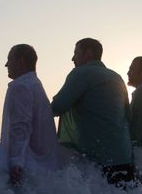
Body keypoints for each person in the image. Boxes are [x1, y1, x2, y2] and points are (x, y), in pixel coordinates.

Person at [51, 38, 134, 185]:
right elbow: (128, 115)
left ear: (88, 53)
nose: (72, 58)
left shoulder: (81, 73)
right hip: (125, 157)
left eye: (76, 53)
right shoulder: (117, 77)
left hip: (100, 161)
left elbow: (57, 107)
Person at [0, 44, 59, 185]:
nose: (6, 64)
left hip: (27, 169)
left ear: (21, 61)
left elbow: (21, 126)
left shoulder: (21, 87)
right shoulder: (36, 85)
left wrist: (15, 162)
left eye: (9, 59)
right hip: (44, 168)